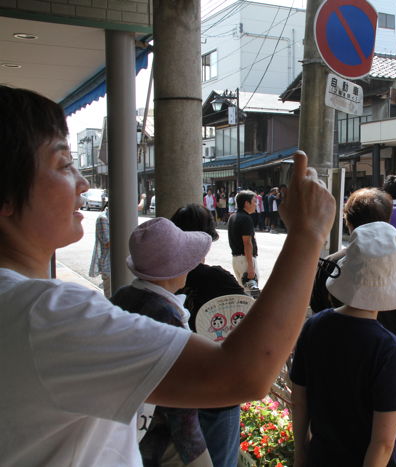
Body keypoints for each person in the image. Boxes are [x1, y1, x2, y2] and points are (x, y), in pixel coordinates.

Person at [0, 85, 335, 466]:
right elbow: (243, 374)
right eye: (63, 165)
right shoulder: (46, 316)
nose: (82, 182)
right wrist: (308, 234)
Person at [292, 222, 396, 466]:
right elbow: (383, 443)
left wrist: (300, 455)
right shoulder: (388, 348)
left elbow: (299, 399)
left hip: (322, 457)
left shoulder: (314, 326)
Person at [111, 218, 214, 466]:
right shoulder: (165, 315)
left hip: (132, 433)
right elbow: (182, 397)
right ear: (176, 269)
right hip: (169, 439)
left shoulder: (124, 296)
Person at [171, 204, 246, 467]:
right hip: (216, 387)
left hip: (173, 385)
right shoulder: (217, 278)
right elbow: (247, 316)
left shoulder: (161, 279)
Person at [227, 189, 260, 297]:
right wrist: (250, 267)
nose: (256, 204)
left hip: (236, 260)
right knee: (251, 295)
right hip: (246, 260)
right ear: (247, 203)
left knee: (244, 294)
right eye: (254, 201)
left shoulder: (232, 217)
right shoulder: (246, 219)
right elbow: (247, 243)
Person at [88, 202, 111, 297]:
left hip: (116, 262)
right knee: (111, 297)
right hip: (108, 264)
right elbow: (107, 243)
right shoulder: (103, 218)